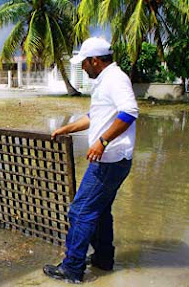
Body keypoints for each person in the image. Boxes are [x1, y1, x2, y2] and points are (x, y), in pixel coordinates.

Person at [43, 37, 139, 283]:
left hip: (110, 160)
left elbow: (129, 112)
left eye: (84, 63)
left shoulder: (115, 79)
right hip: (112, 160)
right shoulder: (107, 80)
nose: (83, 68)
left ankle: (72, 268)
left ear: (95, 60)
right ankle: (103, 260)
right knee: (100, 211)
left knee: (79, 212)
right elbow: (94, 116)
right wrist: (68, 129)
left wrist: (103, 141)